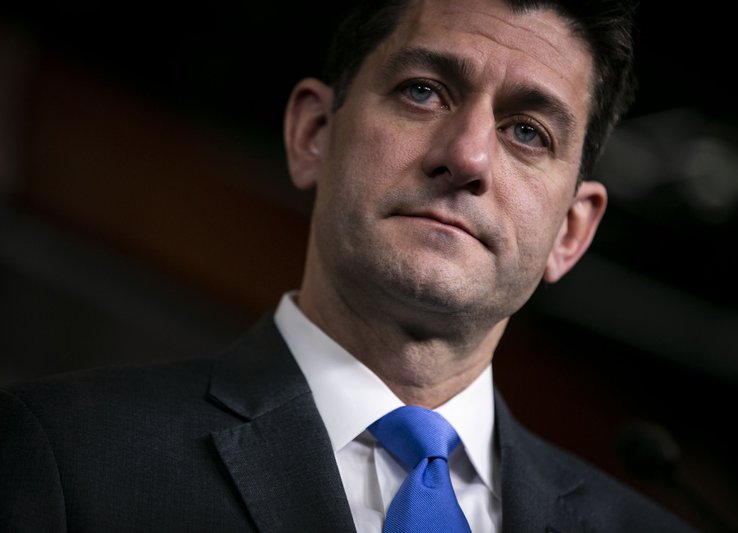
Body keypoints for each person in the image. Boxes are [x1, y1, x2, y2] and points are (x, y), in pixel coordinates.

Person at [0, 0, 697, 531]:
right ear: (312, 134)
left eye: (527, 132)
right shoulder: (61, 458)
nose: (469, 156)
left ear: (570, 233)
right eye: (425, 90)